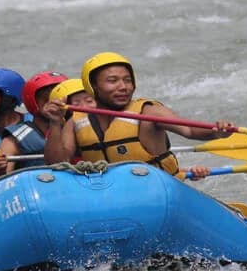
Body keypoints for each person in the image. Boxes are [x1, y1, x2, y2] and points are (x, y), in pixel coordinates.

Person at [43, 52, 235, 180]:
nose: (123, 87)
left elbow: (189, 129)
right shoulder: (77, 120)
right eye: (112, 81)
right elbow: (58, 163)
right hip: (108, 194)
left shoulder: (147, 111)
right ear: (93, 87)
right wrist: (55, 123)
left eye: (127, 80)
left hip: (156, 192)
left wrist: (217, 132)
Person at [0, 71, 68, 175]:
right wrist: (1, 171)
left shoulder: (73, 129)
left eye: (60, 98)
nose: (56, 104)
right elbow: (1, 183)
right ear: (33, 102)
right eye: (47, 99)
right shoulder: (13, 140)